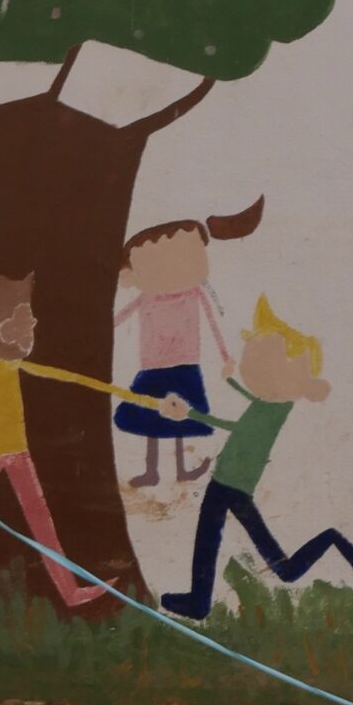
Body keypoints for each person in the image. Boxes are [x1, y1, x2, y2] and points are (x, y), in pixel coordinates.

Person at [0, 273, 163, 608]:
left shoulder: (12, 367)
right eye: (19, 319)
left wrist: (147, 401)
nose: (31, 327)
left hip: (17, 456)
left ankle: (71, 592)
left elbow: (78, 380)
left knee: (42, 527)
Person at [155, 295, 353, 620]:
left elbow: (236, 426)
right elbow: (251, 402)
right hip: (233, 482)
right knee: (250, 553)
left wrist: (188, 413)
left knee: (212, 539)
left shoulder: (274, 407)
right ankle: (199, 600)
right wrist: (230, 381)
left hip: (231, 482)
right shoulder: (272, 403)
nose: (250, 367)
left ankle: (200, 600)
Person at [113, 196, 264, 487]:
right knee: (152, 416)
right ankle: (152, 470)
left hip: (185, 364)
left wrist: (225, 357)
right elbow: (119, 318)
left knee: (181, 418)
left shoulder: (194, 295)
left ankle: (182, 469)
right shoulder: (147, 298)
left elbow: (213, 324)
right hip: (153, 366)